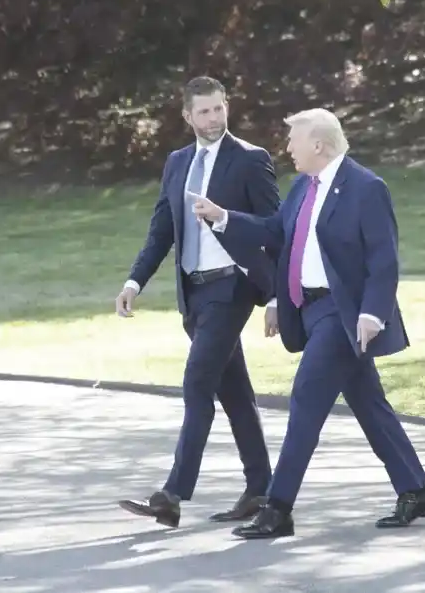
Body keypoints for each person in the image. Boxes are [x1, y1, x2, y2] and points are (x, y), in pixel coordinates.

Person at [189, 107, 425, 539]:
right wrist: (223, 217)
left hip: (343, 315)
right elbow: (274, 232)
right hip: (311, 311)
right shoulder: (303, 186)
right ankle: (416, 490)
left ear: (319, 145)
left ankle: (278, 507)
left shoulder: (366, 188)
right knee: (368, 404)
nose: (287, 148)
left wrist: (371, 313)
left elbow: (384, 259)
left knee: (305, 400)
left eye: (294, 140)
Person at [114, 76, 279, 529]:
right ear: (187, 116)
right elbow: (161, 231)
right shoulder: (177, 163)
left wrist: (277, 296)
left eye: (218, 109)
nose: (213, 119)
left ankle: (173, 493)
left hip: (233, 288)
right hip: (194, 293)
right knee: (236, 394)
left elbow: (275, 229)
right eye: (203, 112)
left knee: (196, 384)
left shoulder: (250, 160)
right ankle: (261, 488)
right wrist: (134, 282)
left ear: (228, 107)